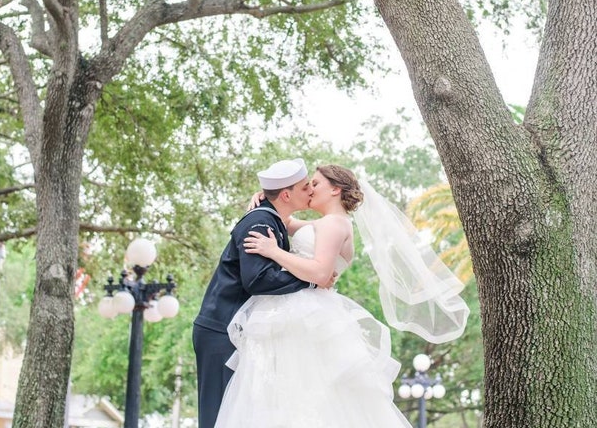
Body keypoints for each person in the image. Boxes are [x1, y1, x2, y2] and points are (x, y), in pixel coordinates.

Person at [212, 164, 469, 428]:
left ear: (335, 189)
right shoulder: (323, 223)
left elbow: (321, 273)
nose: (309, 189)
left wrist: (274, 252)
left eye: (315, 184)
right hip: (292, 308)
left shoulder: (335, 224)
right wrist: (263, 196)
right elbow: (285, 220)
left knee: (307, 390)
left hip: (308, 314)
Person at [192, 158, 334, 428]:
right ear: (286, 194)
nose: (311, 191)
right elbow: (257, 280)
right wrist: (312, 281)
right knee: (218, 414)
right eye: (306, 187)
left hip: (238, 330)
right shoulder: (258, 222)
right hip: (220, 330)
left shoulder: (273, 219)